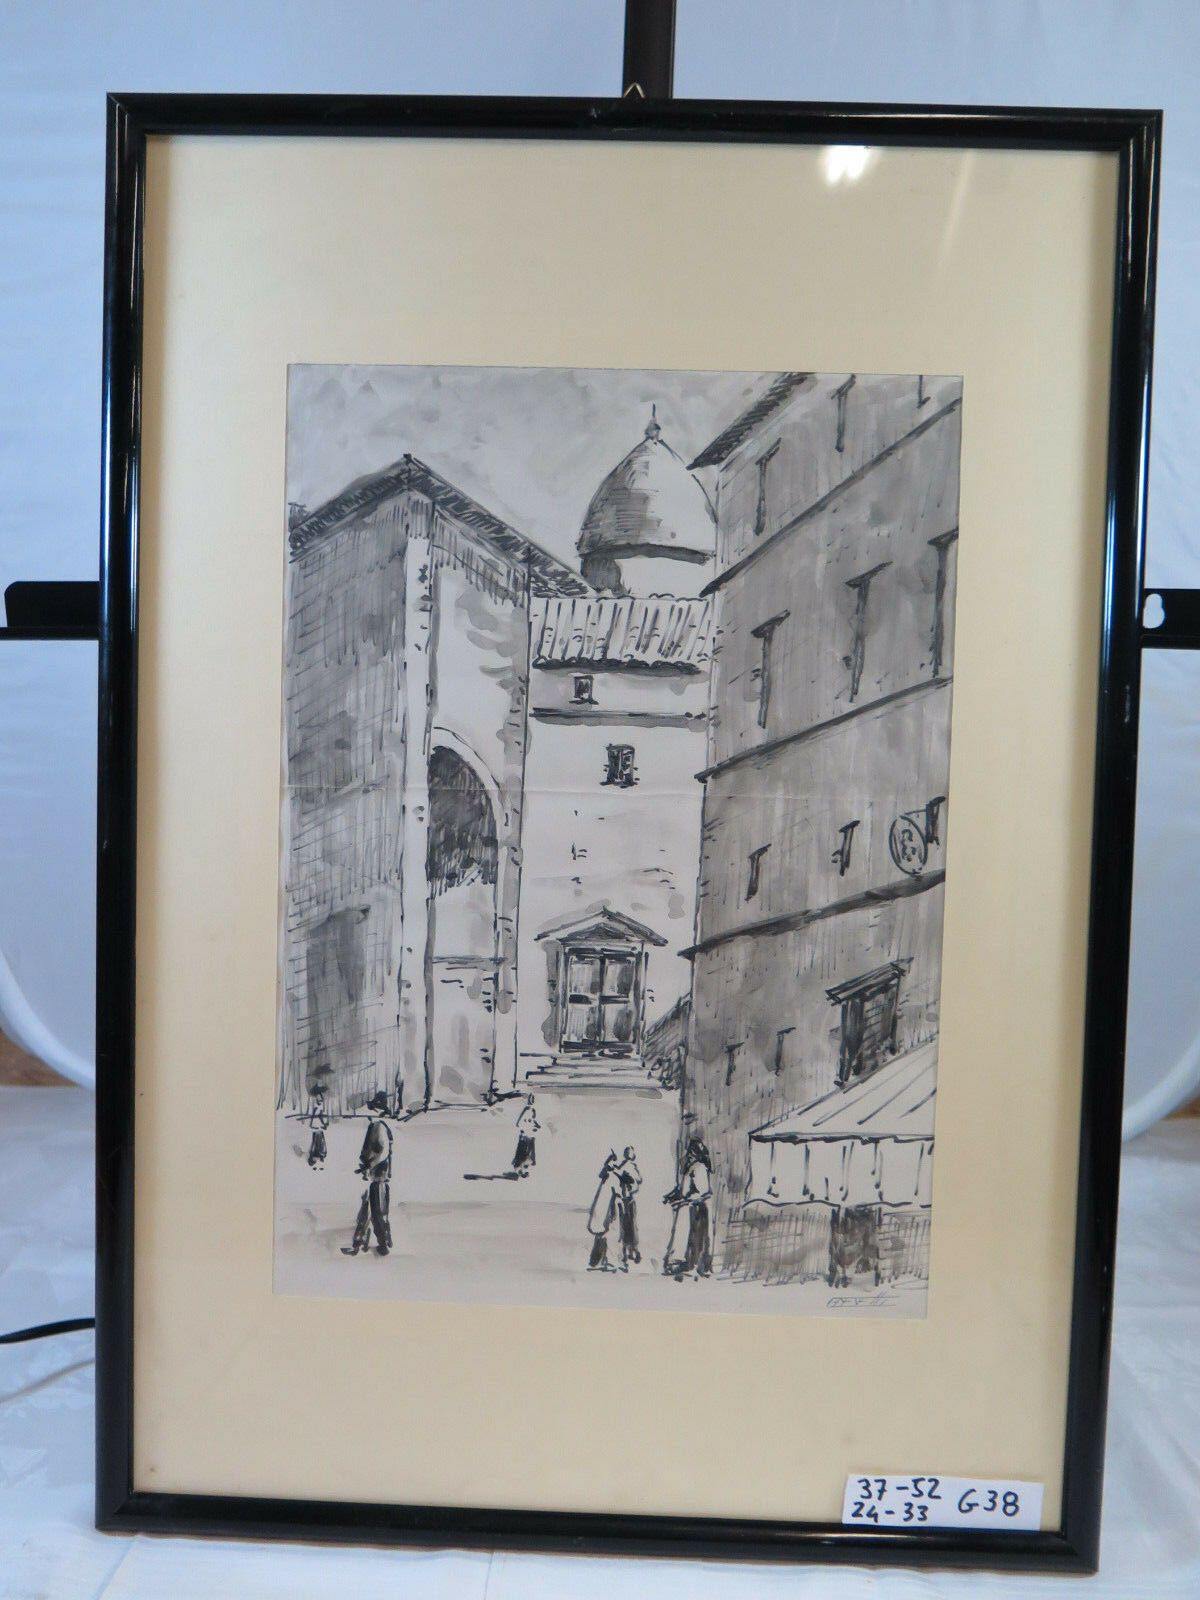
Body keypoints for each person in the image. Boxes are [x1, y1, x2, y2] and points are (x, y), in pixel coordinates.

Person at [341, 1091, 393, 1257]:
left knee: (377, 1213)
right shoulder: (377, 1125)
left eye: (372, 1108)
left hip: (378, 1177)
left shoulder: (379, 1126)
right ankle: (360, 1242)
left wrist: (369, 1165)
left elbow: (383, 1152)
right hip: (374, 1177)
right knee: (368, 1210)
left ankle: (382, 1243)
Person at [665, 1137, 713, 1280]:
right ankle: (693, 1266)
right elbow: (686, 1189)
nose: (688, 1154)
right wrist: (675, 1197)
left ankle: (694, 1266)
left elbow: (703, 1191)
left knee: (695, 1237)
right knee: (694, 1236)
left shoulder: (698, 1168)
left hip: (696, 1207)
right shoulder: (694, 1168)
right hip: (693, 1206)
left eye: (691, 1151)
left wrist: (684, 1199)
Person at [586, 1152, 622, 1272]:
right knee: (601, 1235)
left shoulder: (611, 1177)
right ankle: (598, 1261)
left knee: (602, 1235)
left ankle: (600, 1261)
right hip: (602, 1210)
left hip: (606, 1210)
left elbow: (615, 1195)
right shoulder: (607, 1176)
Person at [615, 1146, 642, 1268]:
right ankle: (628, 1252)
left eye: (629, 1153)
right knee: (626, 1225)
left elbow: (639, 1180)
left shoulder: (631, 1166)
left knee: (629, 1225)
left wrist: (630, 1186)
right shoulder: (624, 1165)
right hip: (624, 1199)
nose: (627, 1154)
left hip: (628, 1200)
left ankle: (632, 1251)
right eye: (626, 1152)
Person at [510, 1094, 539, 1178]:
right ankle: (530, 1105)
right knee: (528, 1122)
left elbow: (520, 1152)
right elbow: (530, 1153)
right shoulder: (525, 1163)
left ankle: (530, 1104)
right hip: (526, 1141)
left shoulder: (518, 1164)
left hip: (524, 1141)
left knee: (526, 1122)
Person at [305, 1085, 329, 1169]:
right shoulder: (317, 1106)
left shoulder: (319, 1106)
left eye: (321, 1099)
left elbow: (319, 1115)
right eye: (319, 1099)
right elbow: (316, 1115)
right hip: (316, 1126)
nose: (320, 1100)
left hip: (317, 1126)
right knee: (318, 1137)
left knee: (318, 1137)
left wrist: (323, 1123)